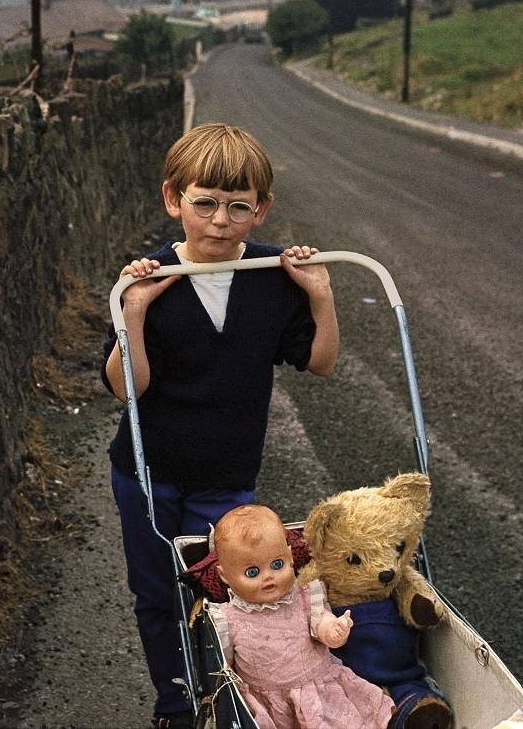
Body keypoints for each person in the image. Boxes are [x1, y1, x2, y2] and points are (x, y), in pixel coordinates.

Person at [102, 122, 340, 729]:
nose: (219, 221)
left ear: (261, 210)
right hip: (149, 470)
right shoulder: (148, 277)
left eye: (238, 207)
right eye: (203, 204)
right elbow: (126, 386)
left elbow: (321, 361)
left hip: (227, 477)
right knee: (158, 595)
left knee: (231, 599)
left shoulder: (271, 276)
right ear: (172, 199)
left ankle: (231, 704)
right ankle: (176, 706)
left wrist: (319, 295)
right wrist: (134, 309)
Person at [210, 504, 394, 729]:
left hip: (318, 692)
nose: (268, 577)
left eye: (276, 565)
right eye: (252, 572)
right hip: (268, 702)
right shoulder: (227, 618)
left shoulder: (304, 595)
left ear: (289, 557)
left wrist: (333, 631)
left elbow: (320, 623)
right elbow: (225, 663)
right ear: (224, 576)